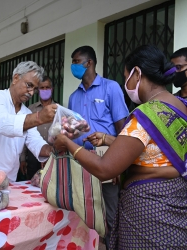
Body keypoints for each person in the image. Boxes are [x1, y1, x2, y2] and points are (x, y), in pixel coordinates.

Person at [53, 44, 187, 249]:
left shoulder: (146, 115)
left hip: (149, 210)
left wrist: (68, 144)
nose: (126, 83)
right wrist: (108, 140)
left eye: (127, 77)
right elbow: (153, 148)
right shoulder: (179, 106)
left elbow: (105, 168)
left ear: (137, 74)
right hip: (175, 199)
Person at [68, 45, 129, 249]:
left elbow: (123, 128)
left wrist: (120, 163)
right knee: (84, 210)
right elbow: (72, 130)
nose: (73, 66)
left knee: (110, 211)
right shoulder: (73, 96)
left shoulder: (110, 88)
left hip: (106, 157)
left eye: (76, 61)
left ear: (89, 63)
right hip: (80, 159)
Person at [19, 76, 56, 180]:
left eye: (47, 88)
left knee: (50, 183)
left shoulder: (58, 109)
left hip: (52, 155)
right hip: (33, 156)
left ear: (52, 89)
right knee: (32, 182)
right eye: (42, 88)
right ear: (38, 90)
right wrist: (22, 159)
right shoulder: (30, 109)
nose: (45, 90)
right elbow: (24, 133)